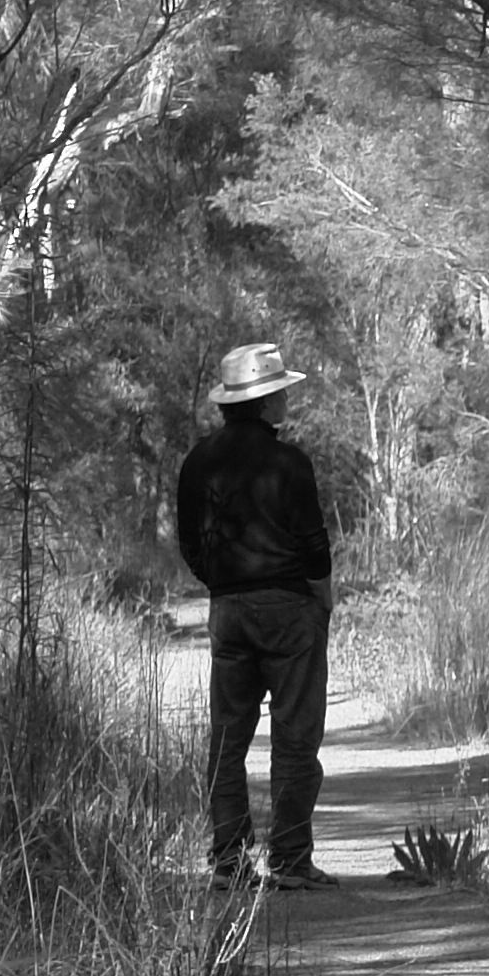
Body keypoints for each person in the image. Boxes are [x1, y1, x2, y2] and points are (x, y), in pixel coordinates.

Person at [176, 341, 340, 889]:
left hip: (228, 611)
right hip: (290, 608)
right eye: (281, 392)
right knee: (295, 736)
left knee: (228, 739)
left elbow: (189, 543)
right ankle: (290, 861)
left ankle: (228, 862)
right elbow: (315, 546)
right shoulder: (289, 462)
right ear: (266, 402)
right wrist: (320, 598)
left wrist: (222, 584)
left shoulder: (198, 461)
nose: (286, 400)